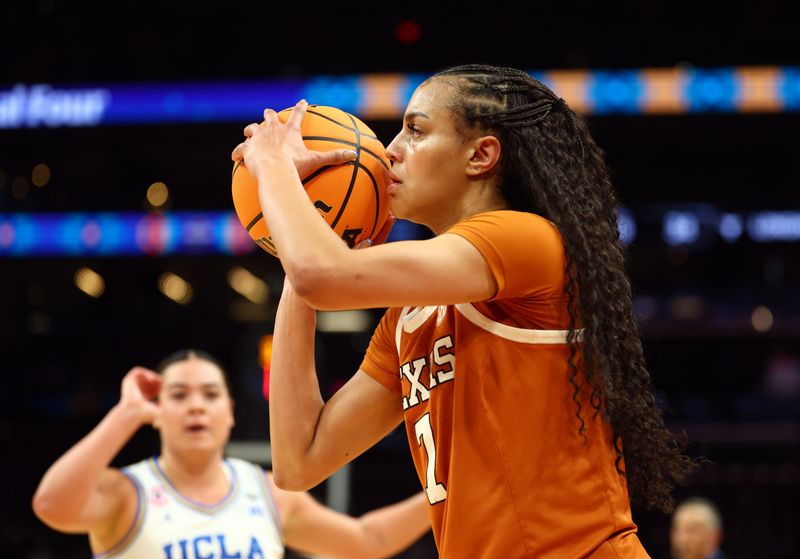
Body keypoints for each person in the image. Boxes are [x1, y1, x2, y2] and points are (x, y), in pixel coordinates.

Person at [232, 64, 695, 558]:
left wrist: (277, 169)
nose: (391, 150)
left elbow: (325, 277)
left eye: (417, 129)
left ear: (481, 155)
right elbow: (299, 459)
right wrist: (311, 229)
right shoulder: (410, 316)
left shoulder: (528, 240)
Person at [32, 349, 431, 559]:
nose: (196, 406)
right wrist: (126, 413)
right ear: (157, 413)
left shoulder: (266, 491)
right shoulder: (126, 492)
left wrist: (439, 494)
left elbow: (367, 540)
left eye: (210, 395)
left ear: (230, 414)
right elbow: (51, 504)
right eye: (178, 395)